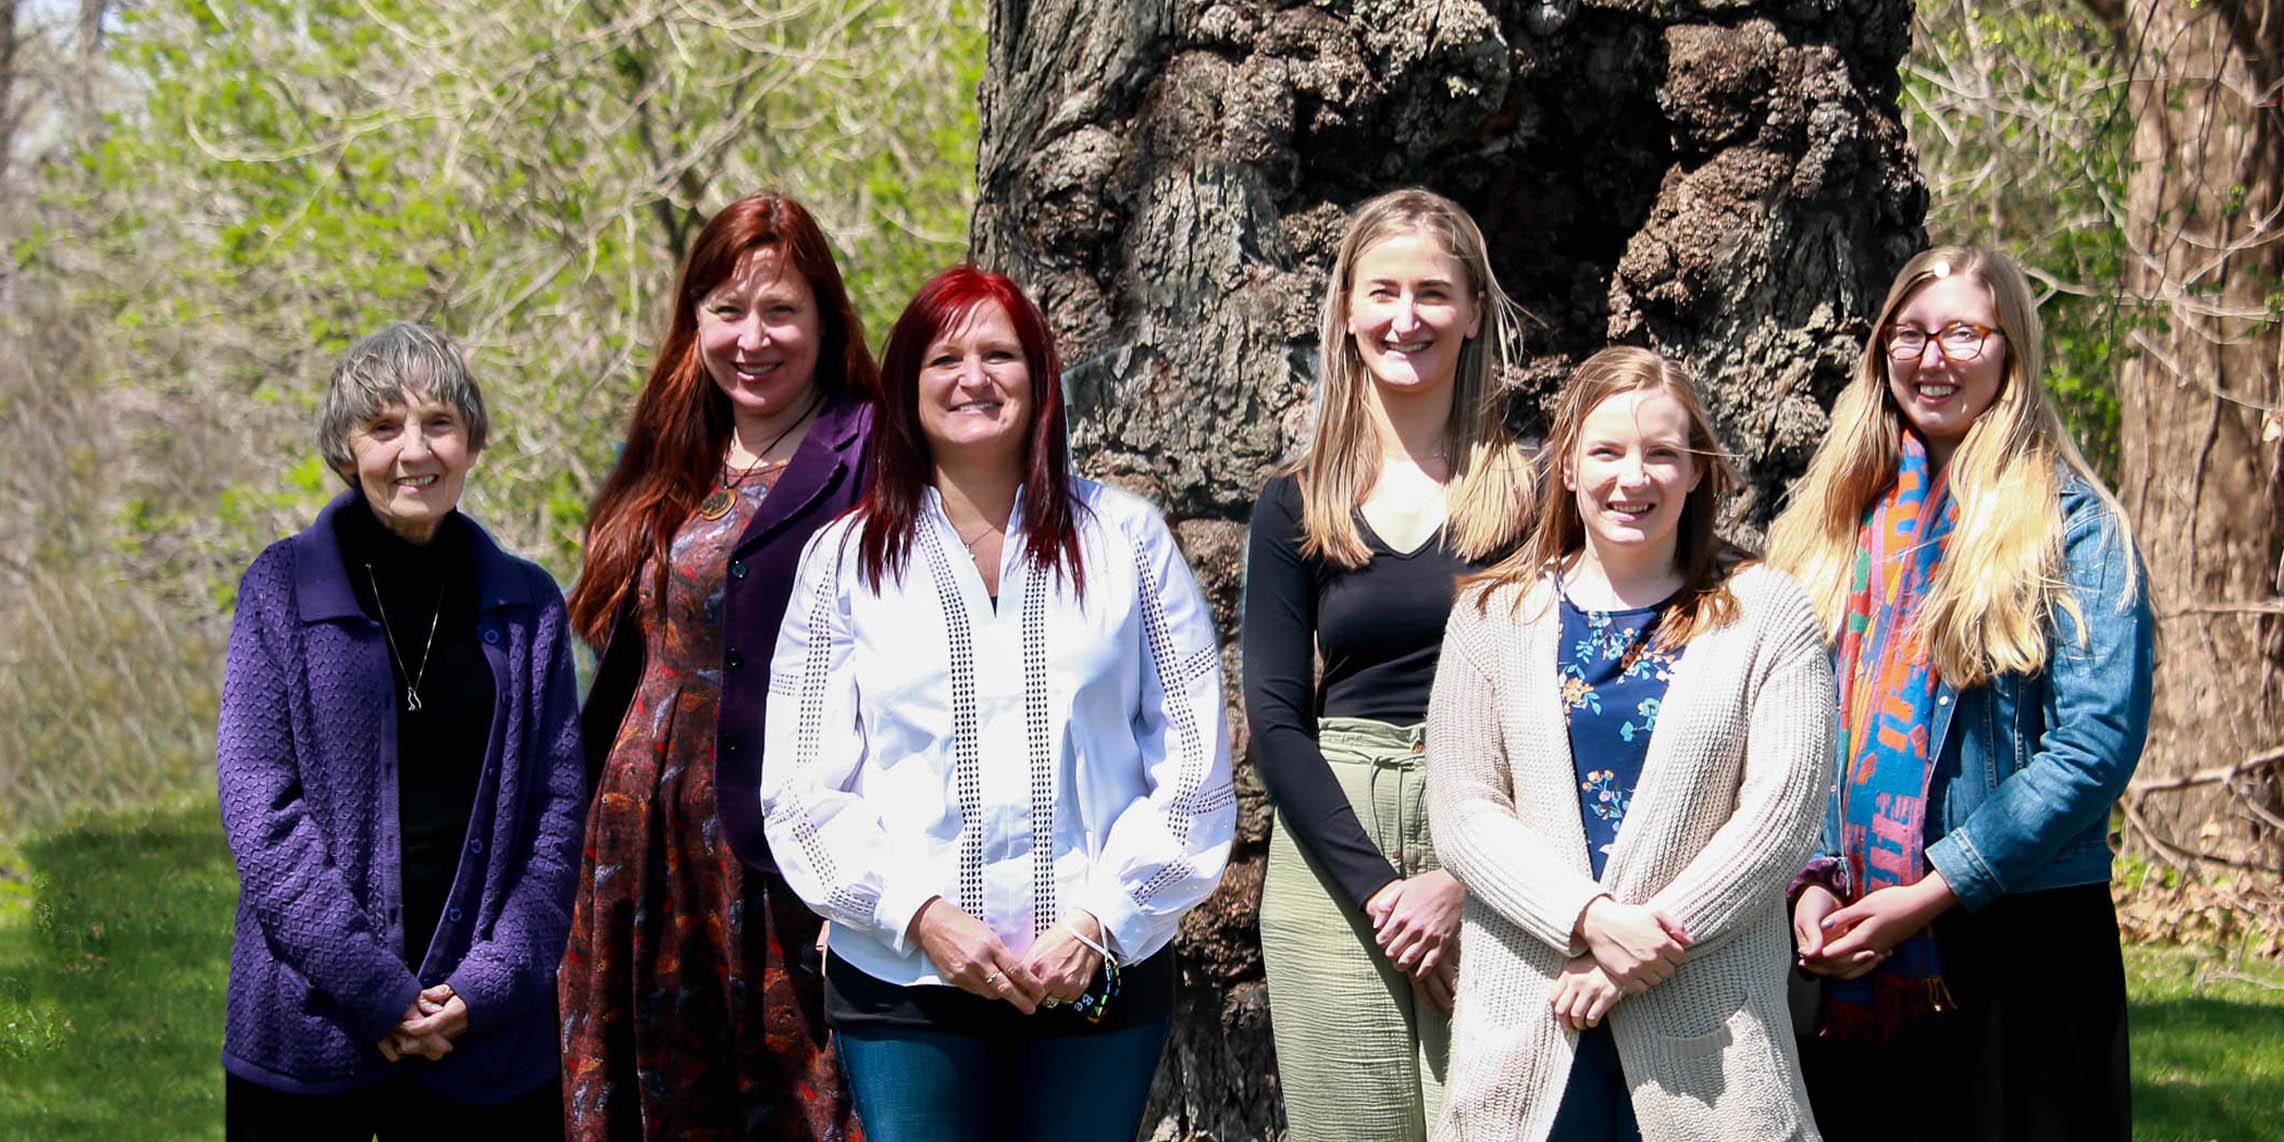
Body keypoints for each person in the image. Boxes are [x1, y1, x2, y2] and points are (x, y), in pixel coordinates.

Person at [759, 265, 1235, 1142]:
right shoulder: (844, 558)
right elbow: (798, 788)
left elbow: (1195, 768)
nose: (972, 377)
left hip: (1096, 973)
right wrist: (920, 915)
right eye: (944, 358)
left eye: (999, 354)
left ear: (1040, 376)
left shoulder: (1126, 538)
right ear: (906, 389)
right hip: (906, 978)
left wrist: (1100, 921)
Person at [1769, 245, 2152, 1141]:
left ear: (2011, 350)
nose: (1931, 356)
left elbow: (2093, 745)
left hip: (2017, 945)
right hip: (1839, 943)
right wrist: (1809, 880)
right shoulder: (1832, 521)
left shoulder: (2074, 525)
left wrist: (1937, 887)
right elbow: (1793, 723)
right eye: (1909, 332)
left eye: (1962, 334)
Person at [1425, 347, 1835, 1141]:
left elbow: (1781, 814)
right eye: (1607, 451)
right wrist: (1590, 919)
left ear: (1696, 473)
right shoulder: (1490, 617)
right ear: (1569, 466)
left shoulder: (1769, 612)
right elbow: (1466, 810)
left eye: (1661, 454)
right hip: (1533, 1017)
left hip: (1710, 1024)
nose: (1633, 477)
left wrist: (1638, 946)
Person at [215, 323, 586, 1139]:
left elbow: (556, 820)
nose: (414, 451)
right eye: (384, 427)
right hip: (312, 1037)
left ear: (473, 442)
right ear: (347, 450)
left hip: (486, 1046)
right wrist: (373, 986)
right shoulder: (280, 588)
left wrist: (484, 988)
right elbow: (259, 811)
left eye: (439, 424)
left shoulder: (529, 608)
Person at [559, 192, 873, 1139]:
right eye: (728, 311)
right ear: (694, 320)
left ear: (824, 318)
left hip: (775, 861)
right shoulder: (671, 444)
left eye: (781, 311)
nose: (754, 338)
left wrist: (855, 880)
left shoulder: (867, 456)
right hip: (635, 858)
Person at [1240, 187, 1534, 1140]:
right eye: (1382, 293)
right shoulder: (1295, 504)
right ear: (1347, 311)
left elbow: (1564, 702)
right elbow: (1277, 723)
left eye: (1433, 294)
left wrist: (1462, 876)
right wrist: (1380, 889)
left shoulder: (1533, 494)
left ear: (1474, 311)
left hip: (1493, 835)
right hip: (1337, 852)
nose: (1406, 319)